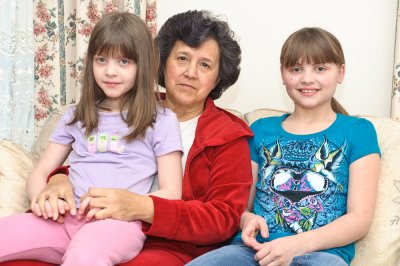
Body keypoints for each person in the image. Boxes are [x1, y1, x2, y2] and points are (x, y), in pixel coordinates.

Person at [0, 10, 253, 266]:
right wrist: (57, 179)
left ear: (218, 77)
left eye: (205, 65)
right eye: (182, 58)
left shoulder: (228, 134)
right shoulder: (119, 102)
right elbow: (93, 157)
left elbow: (222, 218)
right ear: (161, 63)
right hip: (75, 219)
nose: (190, 72)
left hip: (166, 244)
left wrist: (141, 207)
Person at [187, 27, 381, 266]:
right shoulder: (260, 130)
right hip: (253, 251)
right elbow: (239, 206)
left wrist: (295, 245)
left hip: (321, 255)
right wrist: (246, 220)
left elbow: (360, 218)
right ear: (282, 73)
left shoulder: (358, 131)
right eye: (296, 69)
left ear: (340, 72)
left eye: (320, 68)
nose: (307, 79)